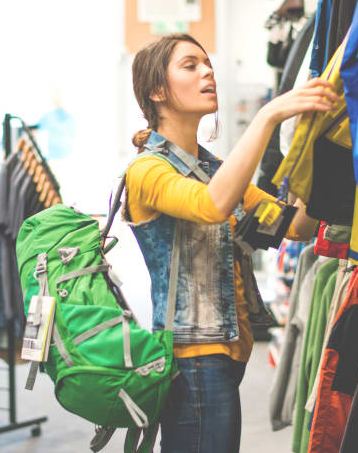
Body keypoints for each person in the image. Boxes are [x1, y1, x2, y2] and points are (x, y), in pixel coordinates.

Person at [125, 33, 338, 453]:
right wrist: (266, 118)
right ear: (156, 90)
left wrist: (321, 154)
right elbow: (211, 205)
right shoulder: (147, 171)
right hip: (193, 360)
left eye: (208, 64)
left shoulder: (212, 168)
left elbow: (294, 226)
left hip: (225, 355)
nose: (208, 72)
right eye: (190, 65)